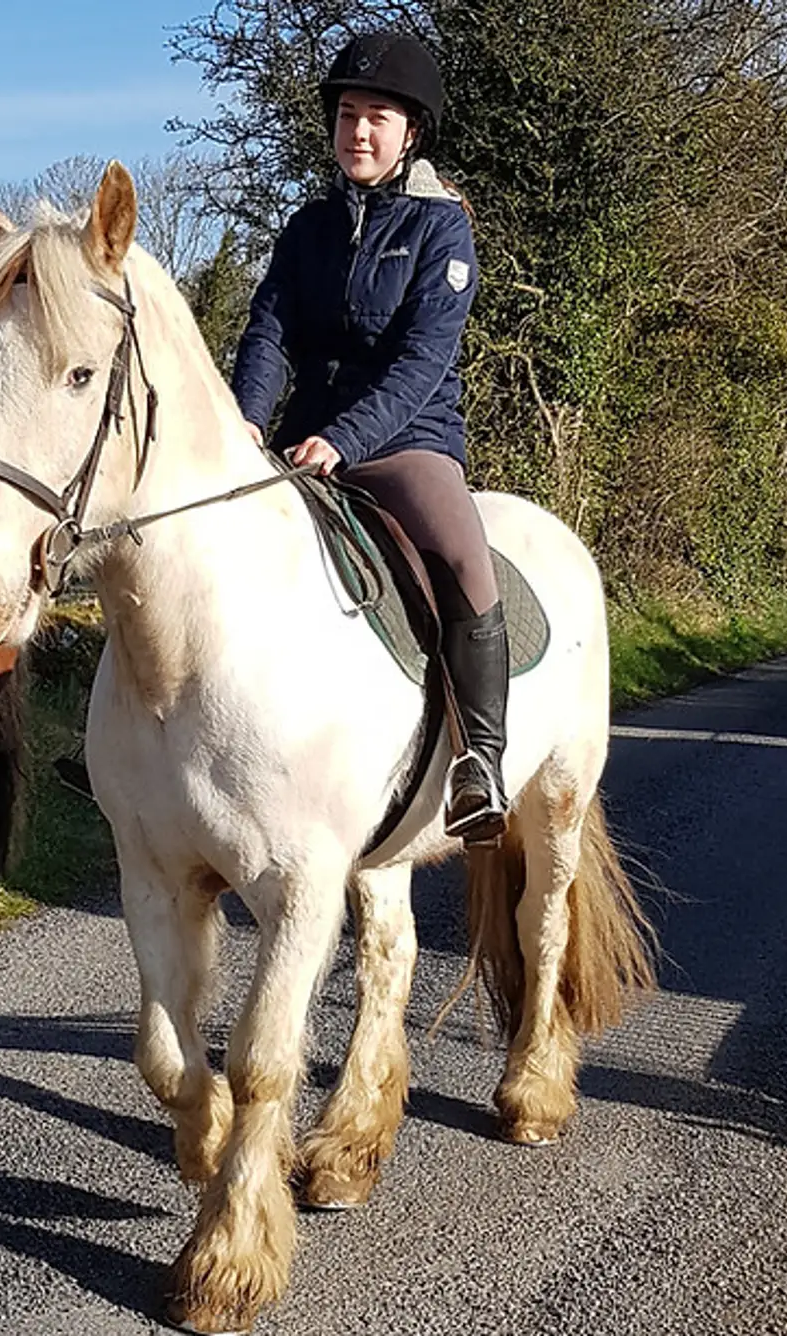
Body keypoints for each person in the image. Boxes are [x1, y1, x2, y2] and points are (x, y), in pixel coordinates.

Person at [230, 32, 507, 842]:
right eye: (347, 114)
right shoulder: (308, 226)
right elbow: (269, 331)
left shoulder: (441, 230)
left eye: (375, 118)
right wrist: (247, 417)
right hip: (298, 439)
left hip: (404, 441)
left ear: (410, 131)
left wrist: (344, 441)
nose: (357, 131)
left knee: (464, 559)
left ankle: (480, 760)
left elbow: (422, 362)